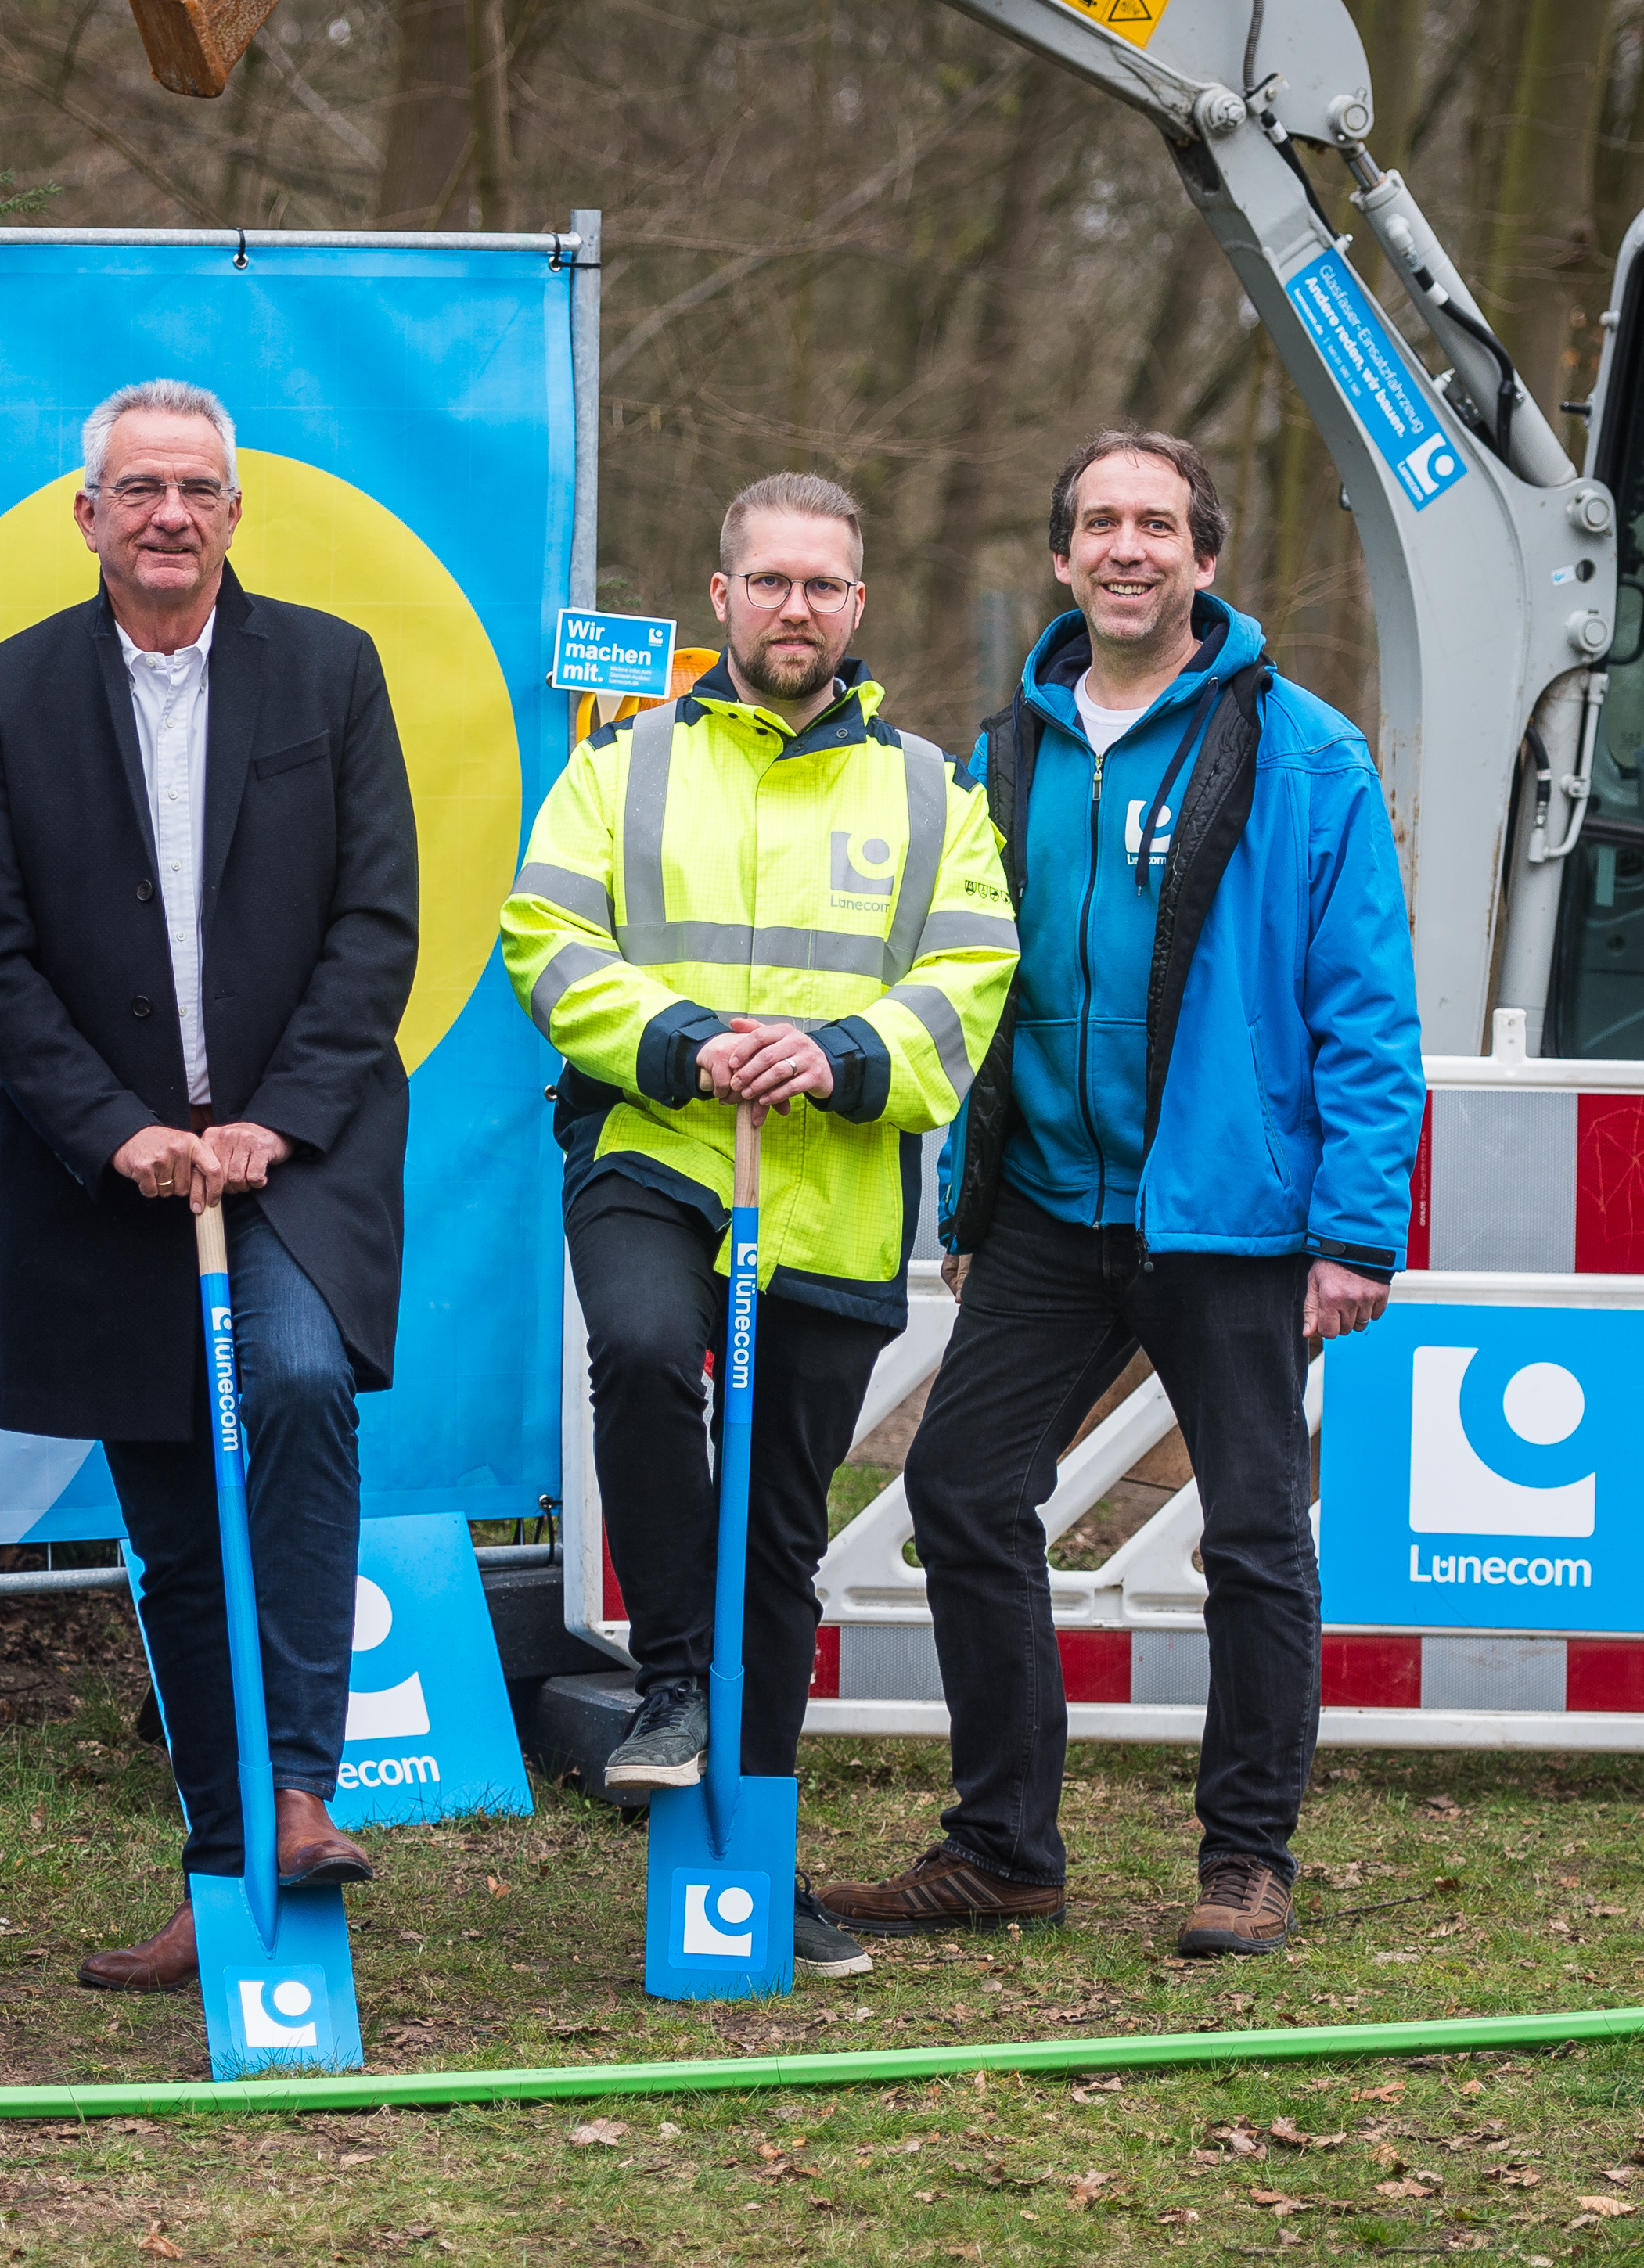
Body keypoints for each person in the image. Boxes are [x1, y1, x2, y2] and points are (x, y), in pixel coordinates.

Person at [811, 430, 1423, 1958]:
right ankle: (1006, 1846)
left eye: (1159, 524)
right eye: (1101, 523)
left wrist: (1359, 1226)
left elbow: (1365, 1004)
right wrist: (970, 1197)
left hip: (1232, 1218)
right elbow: (976, 990)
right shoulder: (1002, 754)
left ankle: (1248, 1860)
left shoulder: (1307, 753)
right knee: (958, 1490)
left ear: (1205, 559)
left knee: (1256, 1535)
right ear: (1066, 557)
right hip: (1049, 1210)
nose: (1129, 548)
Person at [502, 472, 1016, 1982]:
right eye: (770, 582)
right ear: (720, 597)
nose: (796, 608)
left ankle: (751, 1861)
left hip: (836, 1194)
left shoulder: (933, 791)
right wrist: (676, 1040)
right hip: (657, 1148)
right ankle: (670, 1680)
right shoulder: (622, 765)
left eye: (824, 586)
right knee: (649, 1357)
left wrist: (845, 1056)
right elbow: (546, 932)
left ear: (858, 609)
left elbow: (972, 975)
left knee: (777, 1533)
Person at [0, 379, 417, 1993]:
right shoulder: (3, 697)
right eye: (136, 487)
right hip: (109, 1172)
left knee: (289, 1387)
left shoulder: (332, 673)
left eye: (197, 487)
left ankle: (298, 1792)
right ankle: (227, 1874)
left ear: (232, 512)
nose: (167, 512)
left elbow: (376, 925)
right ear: (88, 515)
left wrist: (272, 1122)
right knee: (171, 1520)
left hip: (298, 1152)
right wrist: (114, 1128)